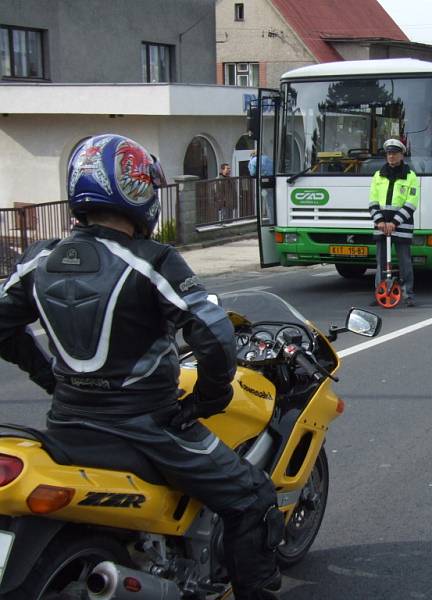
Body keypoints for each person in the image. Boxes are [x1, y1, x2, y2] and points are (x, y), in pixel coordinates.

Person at [0, 134, 282, 600]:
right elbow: (214, 337)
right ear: (136, 190)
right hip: (148, 428)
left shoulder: (39, 259)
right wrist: (208, 400)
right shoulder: (153, 261)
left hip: (67, 424)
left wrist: (51, 376)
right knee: (252, 496)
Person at [369, 138, 420, 307]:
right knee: (381, 262)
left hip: (402, 226)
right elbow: (373, 201)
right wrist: (380, 221)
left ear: (401, 155)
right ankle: (381, 293)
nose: (391, 156)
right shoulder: (378, 175)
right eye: (389, 154)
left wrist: (395, 222)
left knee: (404, 261)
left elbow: (411, 203)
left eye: (395, 153)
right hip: (381, 226)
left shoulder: (410, 176)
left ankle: (408, 294)